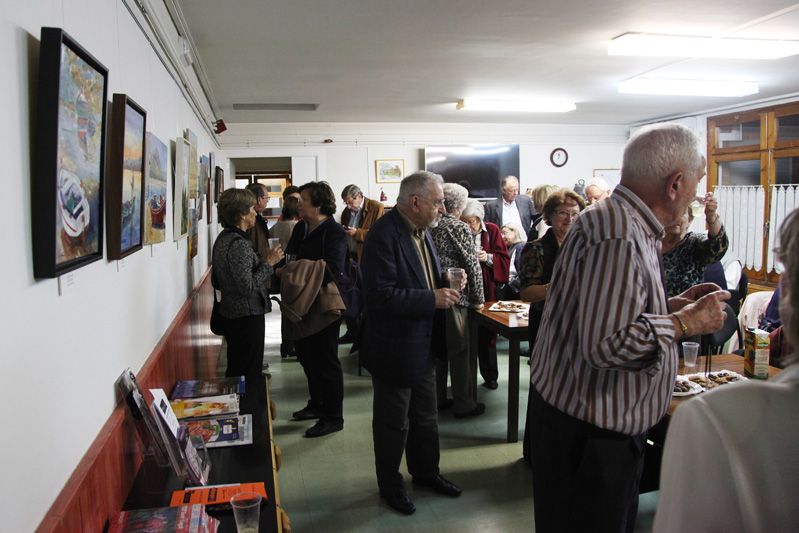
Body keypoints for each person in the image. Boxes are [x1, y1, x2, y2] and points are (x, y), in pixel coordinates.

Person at [527, 123, 731, 533]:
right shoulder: (619, 234)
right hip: (590, 439)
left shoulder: (614, 220)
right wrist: (686, 322)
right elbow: (607, 345)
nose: (696, 194)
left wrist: (671, 304)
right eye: (696, 183)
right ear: (675, 184)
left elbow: (605, 310)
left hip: (578, 427)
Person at [654, 207, 799, 532]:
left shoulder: (715, 420)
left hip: (684, 329)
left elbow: (717, 245)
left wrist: (713, 218)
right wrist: (674, 305)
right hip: (669, 323)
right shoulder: (650, 245)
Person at [360, 171, 464, 516]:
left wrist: (446, 277)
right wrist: (430, 299)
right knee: (394, 424)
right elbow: (378, 296)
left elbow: (419, 278)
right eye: (437, 201)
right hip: (395, 348)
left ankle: (426, 473)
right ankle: (390, 486)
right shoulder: (383, 235)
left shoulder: (422, 231)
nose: (443, 208)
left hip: (424, 344)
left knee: (426, 418)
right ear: (415, 201)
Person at [283, 181, 348, 438]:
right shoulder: (301, 227)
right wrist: (294, 267)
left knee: (326, 361)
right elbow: (290, 257)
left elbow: (332, 268)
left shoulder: (334, 232)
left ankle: (334, 416)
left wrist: (295, 270)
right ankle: (317, 404)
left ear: (319, 204)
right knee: (306, 355)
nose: (299, 204)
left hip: (323, 304)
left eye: (304, 200)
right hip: (301, 302)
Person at [212, 189, 283, 382]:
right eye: (252, 208)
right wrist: (269, 263)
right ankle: (248, 408)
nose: (255, 212)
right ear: (242, 214)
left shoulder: (223, 238)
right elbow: (247, 286)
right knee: (247, 371)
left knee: (237, 367)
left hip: (232, 313)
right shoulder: (239, 244)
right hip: (246, 315)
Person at [430, 182, 485, 417]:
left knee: (439, 350)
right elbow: (472, 266)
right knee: (460, 352)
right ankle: (464, 404)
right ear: (461, 205)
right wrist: (478, 299)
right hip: (456, 298)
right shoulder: (458, 227)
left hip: (432, 297)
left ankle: (438, 398)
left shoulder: (429, 225)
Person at [519, 189, 586, 347]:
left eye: (575, 213)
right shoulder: (535, 249)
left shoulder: (585, 247)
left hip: (579, 322)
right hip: (547, 322)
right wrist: (558, 286)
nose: (570, 219)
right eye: (563, 213)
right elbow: (527, 293)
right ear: (549, 215)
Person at [461, 199, 510, 390]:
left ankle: (490, 376)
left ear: (479, 219)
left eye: (470, 221)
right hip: (466, 290)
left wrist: (487, 257)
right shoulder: (459, 230)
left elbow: (504, 259)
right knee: (466, 334)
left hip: (487, 290)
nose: (467, 225)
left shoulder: (491, 230)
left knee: (487, 334)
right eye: (463, 220)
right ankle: (467, 380)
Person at [338, 184, 384, 345]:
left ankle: (365, 335)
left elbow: (379, 234)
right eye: (346, 203)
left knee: (366, 296)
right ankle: (352, 332)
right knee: (350, 296)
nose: (348, 206)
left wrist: (356, 233)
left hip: (367, 258)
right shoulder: (346, 212)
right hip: (350, 258)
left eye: (350, 202)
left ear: (359, 196)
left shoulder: (376, 207)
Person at [662, 193, 728, 297]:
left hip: (687, 310)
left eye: (682, 213)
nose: (677, 217)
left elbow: (717, 246)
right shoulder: (650, 244)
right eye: (672, 212)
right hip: (652, 311)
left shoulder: (693, 243)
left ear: (689, 221)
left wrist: (711, 215)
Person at [484, 175, 537, 240]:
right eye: (511, 191)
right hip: (503, 243)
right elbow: (487, 228)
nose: (516, 193)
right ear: (503, 190)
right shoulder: (491, 206)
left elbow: (536, 219)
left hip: (524, 242)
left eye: (517, 190)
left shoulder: (526, 201)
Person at [500, 222, 527, 300]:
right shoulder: (510, 248)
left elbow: (521, 272)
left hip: (515, 292)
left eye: (505, 233)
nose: (502, 237)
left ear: (515, 232)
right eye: (501, 234)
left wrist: (511, 284)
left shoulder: (521, 247)